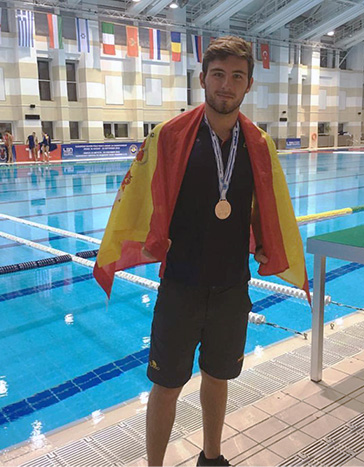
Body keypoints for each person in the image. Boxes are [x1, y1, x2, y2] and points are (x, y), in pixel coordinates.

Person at [94, 36, 309, 466]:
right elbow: (137, 201)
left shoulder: (260, 147)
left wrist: (270, 247)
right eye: (218, 75)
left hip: (232, 287)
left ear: (248, 86)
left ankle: (212, 457)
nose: (226, 85)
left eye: (236, 77)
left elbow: (268, 210)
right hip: (181, 286)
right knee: (167, 385)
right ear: (202, 79)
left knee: (218, 377)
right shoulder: (170, 138)